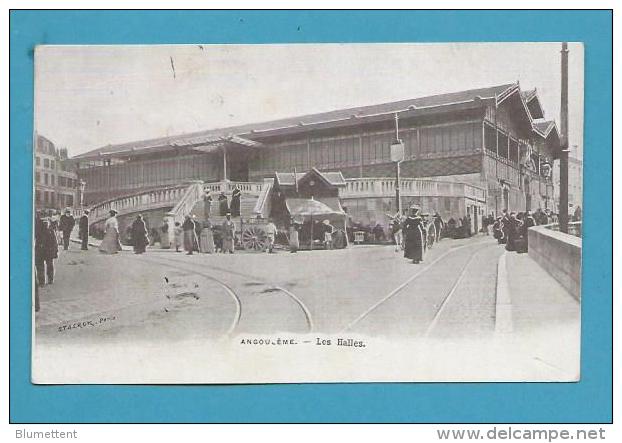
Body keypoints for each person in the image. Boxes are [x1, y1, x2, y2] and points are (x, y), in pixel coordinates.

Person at [35, 218, 58, 285]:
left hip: (44, 251)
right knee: (46, 265)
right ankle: (47, 280)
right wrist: (55, 251)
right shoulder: (49, 231)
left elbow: (54, 242)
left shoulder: (40, 231)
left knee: (43, 266)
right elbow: (55, 242)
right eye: (44, 222)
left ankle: (44, 281)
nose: (45, 224)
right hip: (45, 251)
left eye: (46, 222)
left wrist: (55, 251)